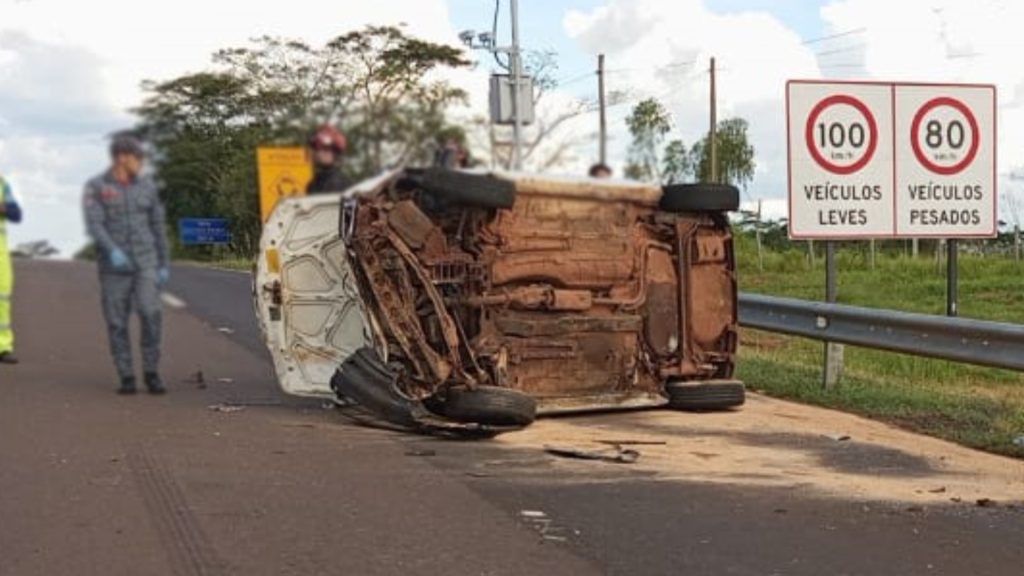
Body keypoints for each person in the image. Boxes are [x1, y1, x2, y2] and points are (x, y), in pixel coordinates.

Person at [83, 135, 170, 395]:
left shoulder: (147, 187)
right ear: (121, 157)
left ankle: (152, 372)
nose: (140, 163)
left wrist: (163, 262)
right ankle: (127, 375)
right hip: (114, 267)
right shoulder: (97, 186)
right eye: (136, 158)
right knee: (117, 321)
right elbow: (95, 225)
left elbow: (157, 225)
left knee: (150, 312)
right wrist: (112, 250)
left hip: (146, 262)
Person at [0, 175, 22, 365]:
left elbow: (17, 215)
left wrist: (3, 208)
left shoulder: (2, 184)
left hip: (0, 255)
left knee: (3, 298)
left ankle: (3, 347)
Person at [306, 124, 353, 195]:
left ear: (335, 154)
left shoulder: (344, 185)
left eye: (325, 149)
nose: (318, 153)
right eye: (316, 148)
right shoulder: (313, 184)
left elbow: (351, 206)